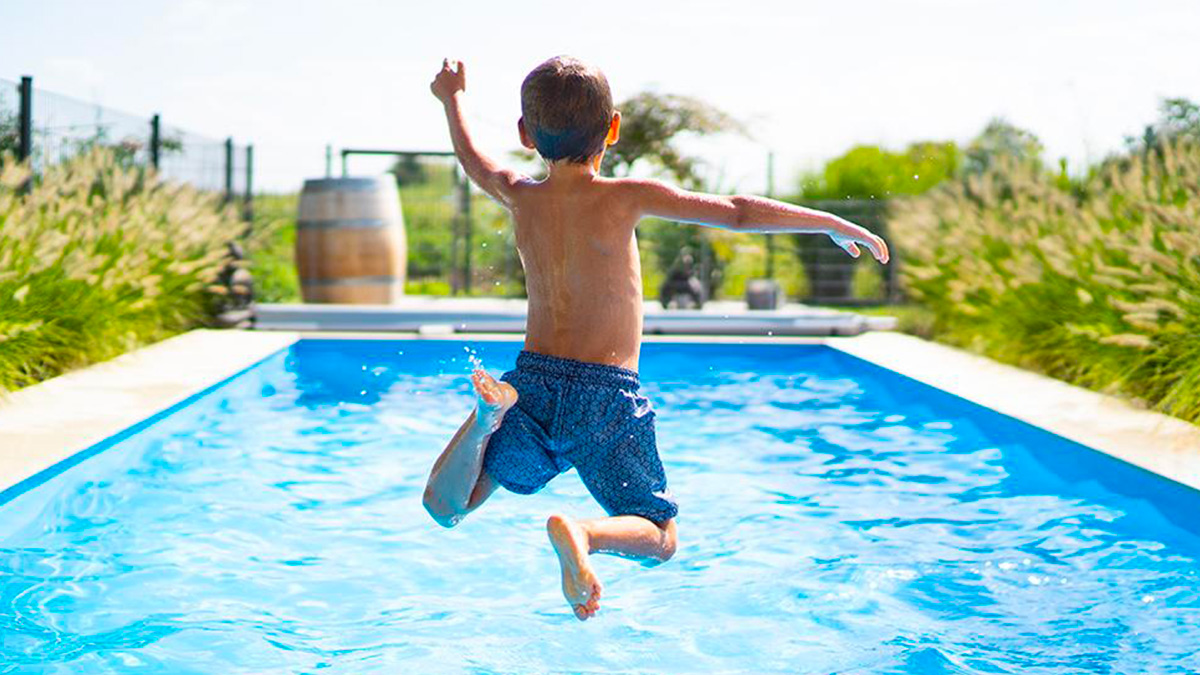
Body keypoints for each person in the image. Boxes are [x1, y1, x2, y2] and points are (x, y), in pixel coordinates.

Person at [421, 56, 889, 621]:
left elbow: (473, 160)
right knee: (660, 536)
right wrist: (828, 222)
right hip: (605, 396)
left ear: (525, 134)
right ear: (612, 129)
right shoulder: (626, 196)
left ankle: (483, 421)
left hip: (532, 385)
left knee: (449, 507)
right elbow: (737, 213)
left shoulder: (521, 194)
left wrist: (452, 99)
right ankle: (583, 533)